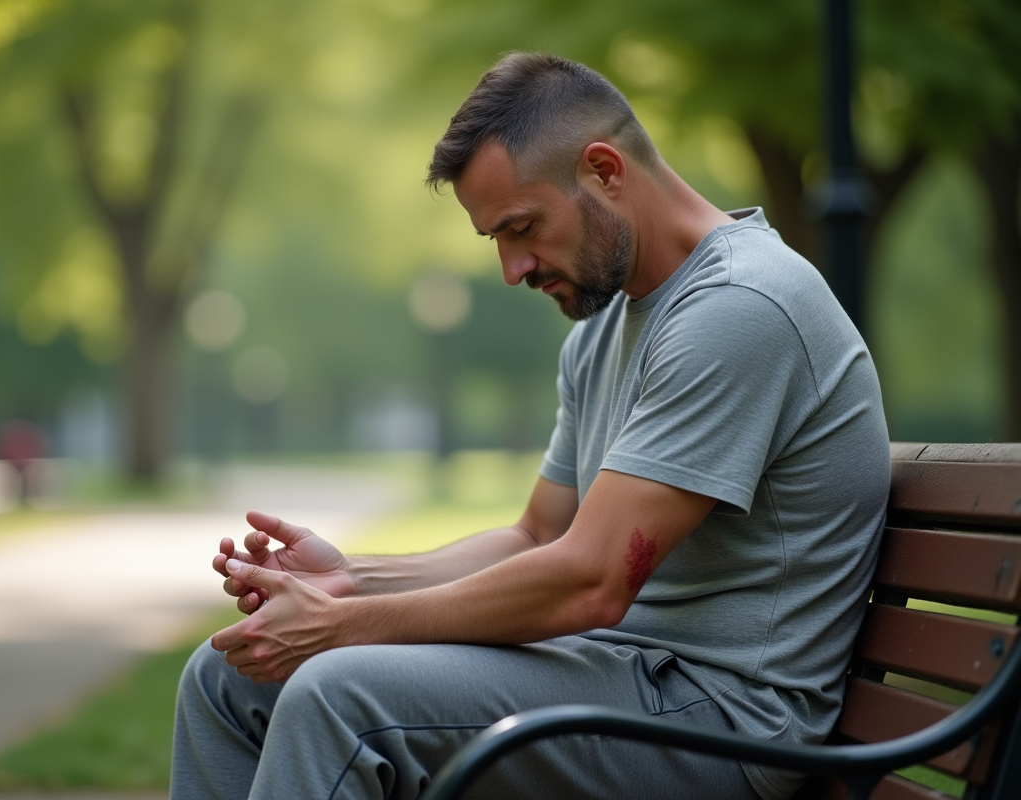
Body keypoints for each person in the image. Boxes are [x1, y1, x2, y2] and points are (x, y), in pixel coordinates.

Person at [170, 53, 890, 800]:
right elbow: (538, 537)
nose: (514, 269)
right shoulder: (603, 330)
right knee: (227, 677)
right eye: (497, 241)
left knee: (338, 696)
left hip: (724, 721)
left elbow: (592, 580)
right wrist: (351, 582)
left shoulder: (740, 308)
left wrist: (343, 628)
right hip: (624, 676)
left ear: (605, 171)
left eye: (523, 228)